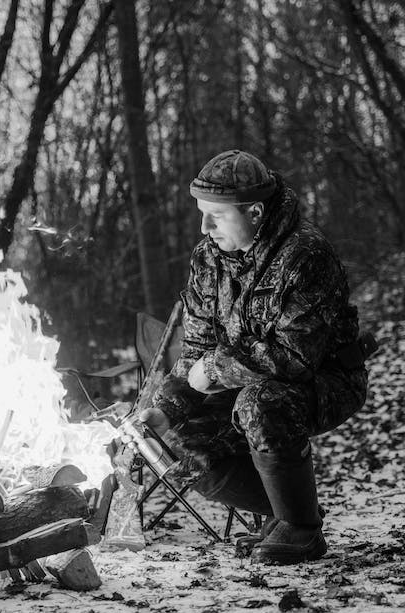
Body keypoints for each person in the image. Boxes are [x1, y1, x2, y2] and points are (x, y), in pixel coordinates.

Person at [138, 150, 370, 565]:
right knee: (175, 439)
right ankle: (289, 513)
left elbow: (295, 357)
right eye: (201, 213)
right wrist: (168, 410)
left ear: (256, 211)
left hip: (326, 380)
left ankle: (301, 531)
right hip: (245, 380)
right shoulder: (207, 259)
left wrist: (214, 369)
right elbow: (196, 349)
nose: (204, 228)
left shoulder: (306, 255)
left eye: (216, 216)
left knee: (260, 402)